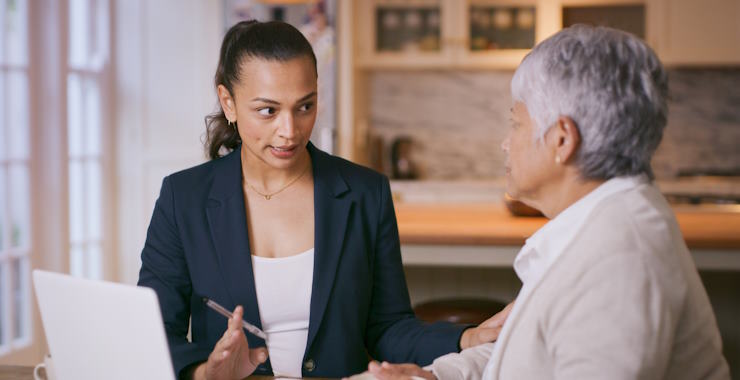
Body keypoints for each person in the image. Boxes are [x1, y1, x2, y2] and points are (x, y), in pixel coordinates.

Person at [137, 20, 501, 380]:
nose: (290, 130)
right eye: (268, 110)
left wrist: (466, 337)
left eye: (305, 106)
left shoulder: (365, 193)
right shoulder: (182, 199)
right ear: (228, 103)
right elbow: (153, 334)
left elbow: (388, 327)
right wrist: (205, 373)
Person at [365, 25, 730, 380]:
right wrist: (433, 376)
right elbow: (521, 354)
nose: (505, 143)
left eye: (516, 123)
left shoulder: (619, 259)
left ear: (561, 140)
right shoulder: (599, 225)